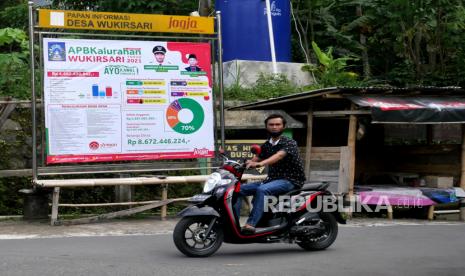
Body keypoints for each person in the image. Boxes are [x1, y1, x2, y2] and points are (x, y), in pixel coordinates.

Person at [234, 114, 306, 233]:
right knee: (236, 189)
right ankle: (234, 223)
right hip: (272, 179)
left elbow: (278, 156)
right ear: (266, 126)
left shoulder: (289, 143)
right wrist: (246, 163)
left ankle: (251, 225)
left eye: (277, 124)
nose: (274, 127)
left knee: (262, 190)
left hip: (290, 180)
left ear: (283, 127)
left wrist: (261, 164)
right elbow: (257, 158)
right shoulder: (267, 144)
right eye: (271, 124)